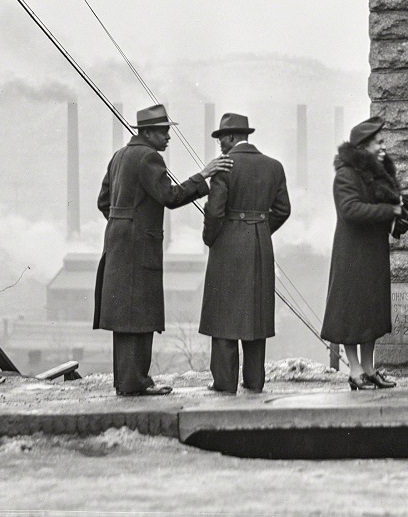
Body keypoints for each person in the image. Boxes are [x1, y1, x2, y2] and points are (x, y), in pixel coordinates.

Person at [94, 103, 231, 397]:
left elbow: (103, 202)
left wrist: (124, 223)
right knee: (139, 313)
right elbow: (170, 196)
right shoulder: (148, 158)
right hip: (139, 247)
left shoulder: (119, 156)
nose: (168, 137)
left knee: (125, 315)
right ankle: (134, 383)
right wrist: (203, 175)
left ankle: (128, 380)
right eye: (164, 132)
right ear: (148, 133)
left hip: (118, 244)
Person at [199, 113, 291, 394]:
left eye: (220, 139)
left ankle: (224, 383)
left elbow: (214, 212)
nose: (219, 146)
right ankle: (254, 381)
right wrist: (260, 229)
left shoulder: (224, 167)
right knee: (255, 314)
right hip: (261, 245)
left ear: (229, 138)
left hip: (228, 245)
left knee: (224, 315)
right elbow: (283, 210)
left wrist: (212, 238)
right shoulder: (274, 166)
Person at [320, 116, 405, 390]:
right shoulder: (346, 175)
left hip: (373, 252)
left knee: (372, 313)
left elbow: (388, 205)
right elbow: (350, 210)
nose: (383, 147)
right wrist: (389, 211)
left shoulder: (377, 174)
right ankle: (355, 371)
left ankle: (369, 369)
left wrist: (400, 216)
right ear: (363, 147)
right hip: (352, 255)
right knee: (351, 315)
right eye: (378, 143)